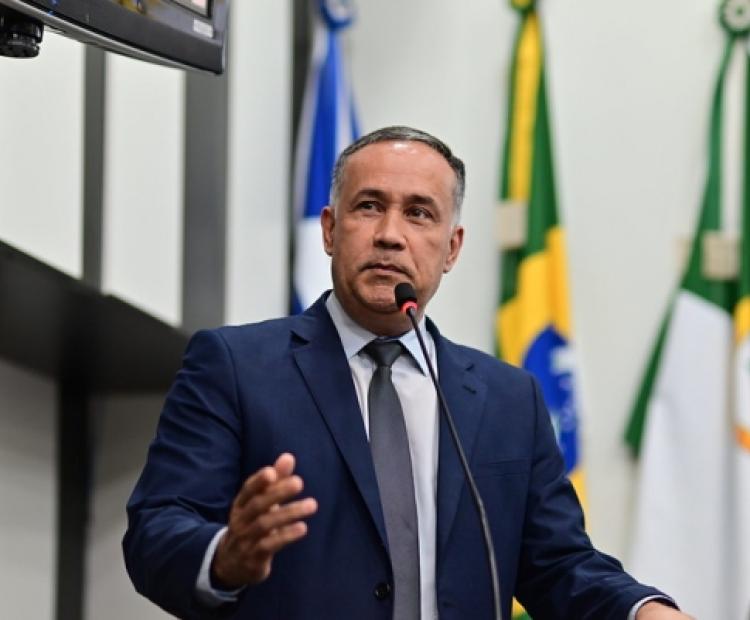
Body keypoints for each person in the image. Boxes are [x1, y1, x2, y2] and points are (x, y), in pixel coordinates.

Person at [124, 126, 690, 619]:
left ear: (452, 248)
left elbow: (558, 564)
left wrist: (642, 610)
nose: (390, 233)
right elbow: (156, 532)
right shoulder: (236, 366)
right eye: (369, 206)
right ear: (329, 229)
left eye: (419, 213)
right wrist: (224, 557)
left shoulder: (508, 398)